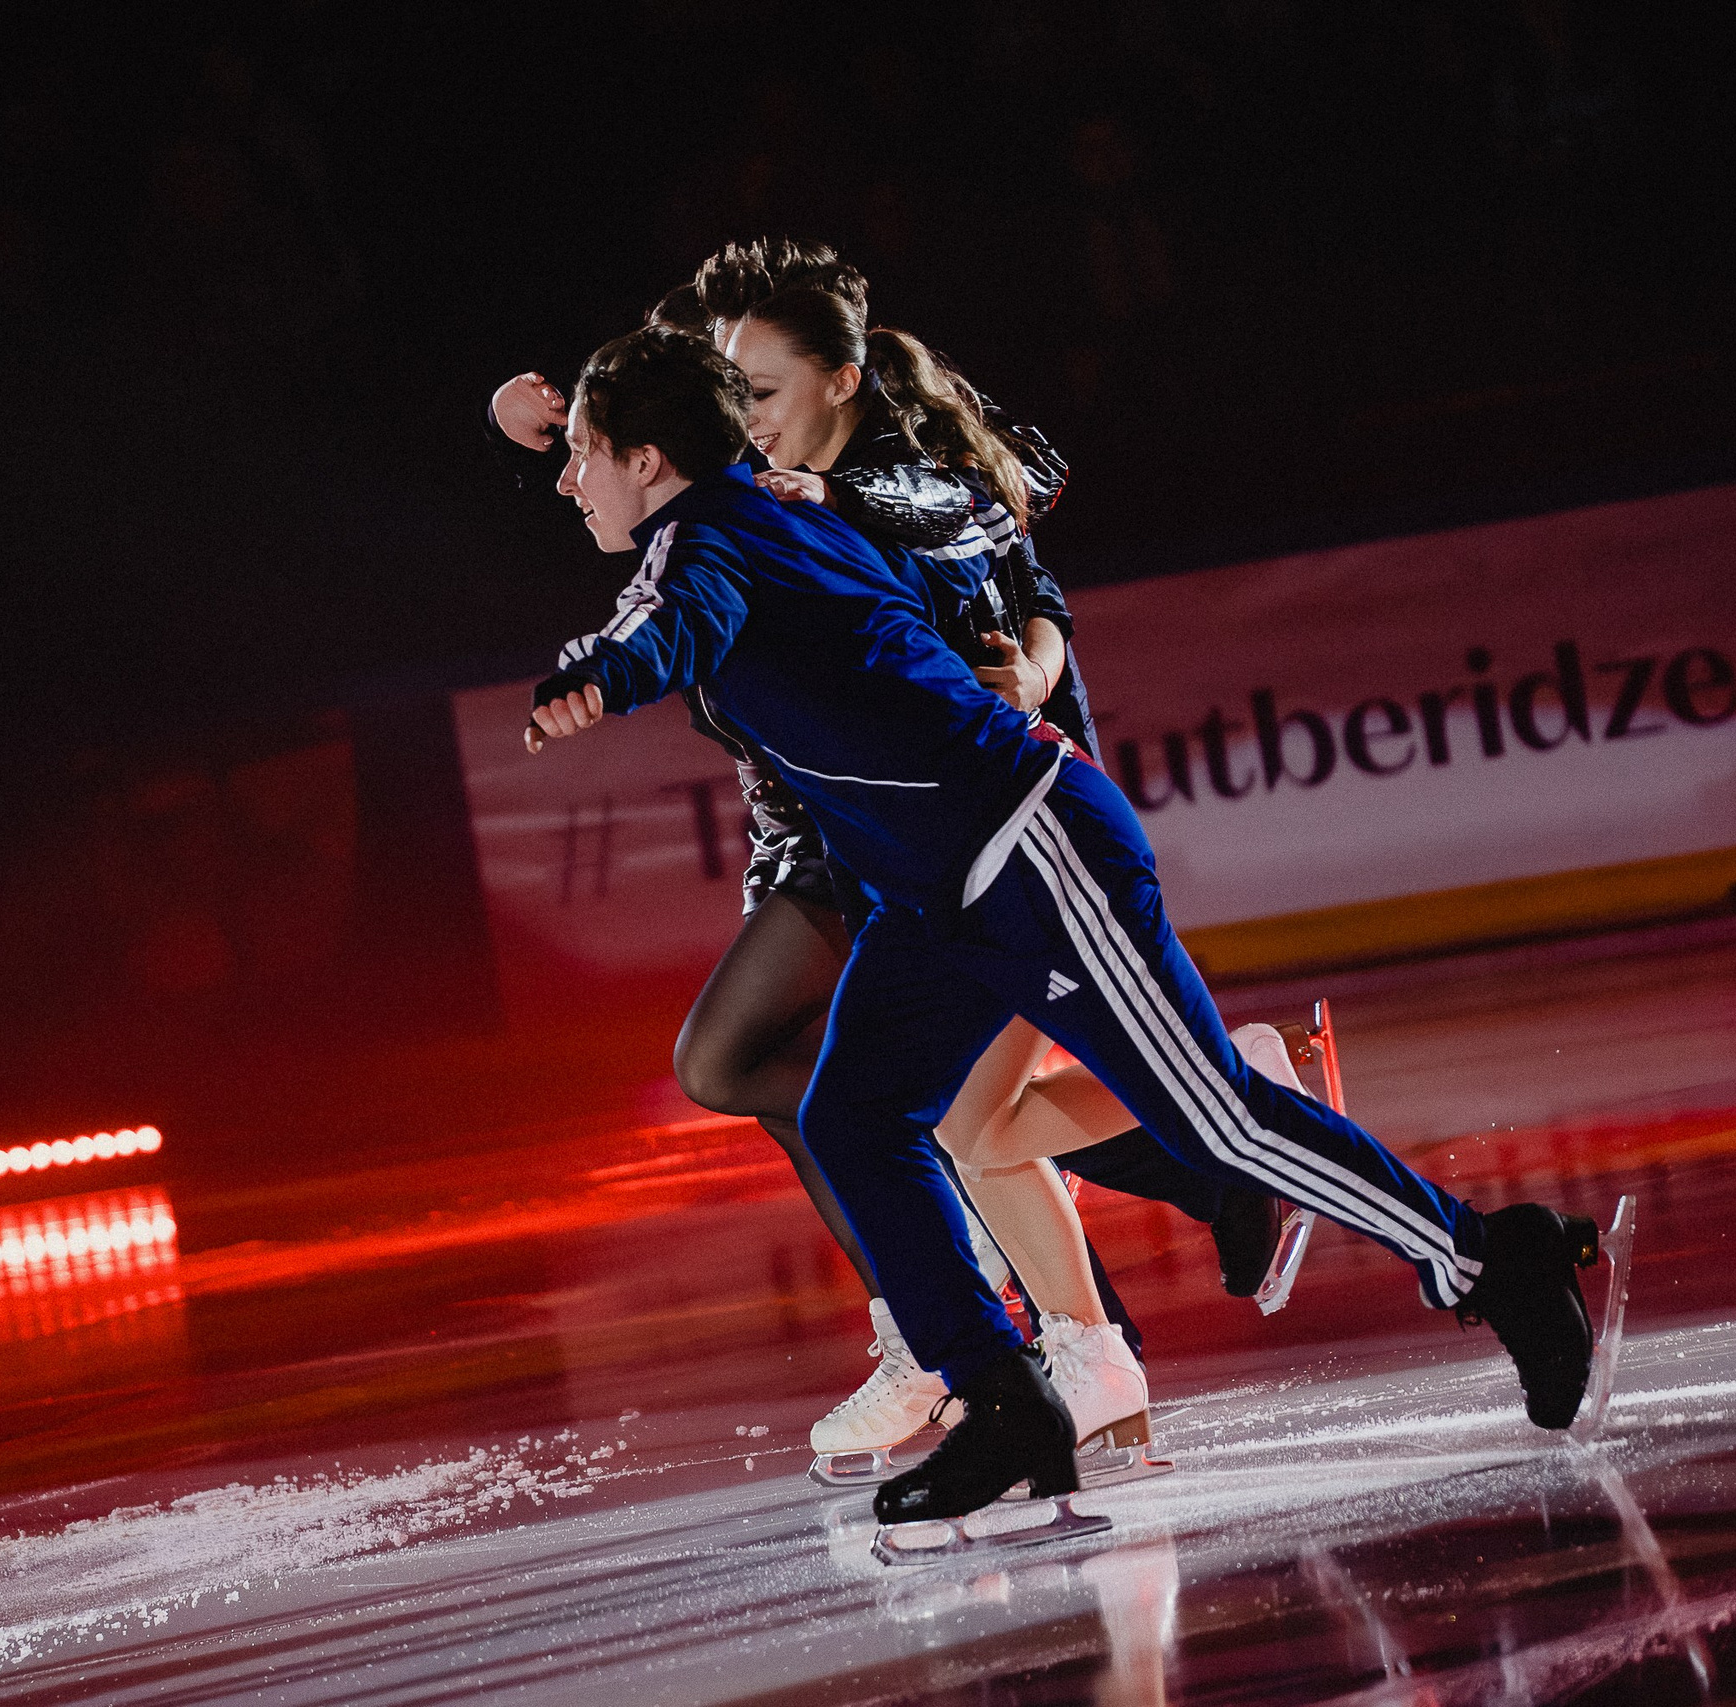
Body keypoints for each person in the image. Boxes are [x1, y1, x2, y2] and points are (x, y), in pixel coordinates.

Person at [524, 322, 1605, 1526]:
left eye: (581, 456)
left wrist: (592, 676)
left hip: (1028, 850)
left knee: (1213, 1122)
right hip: (932, 889)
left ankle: (1487, 1260)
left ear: (651, 458)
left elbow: (662, 625)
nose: (565, 483)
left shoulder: (713, 541)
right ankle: (1002, 1401)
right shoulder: (750, 510)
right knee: (854, 1115)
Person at [493, 242, 1278, 1472]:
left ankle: (1097, 1250)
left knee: (861, 1097)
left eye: (756, 389)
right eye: (726, 390)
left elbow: (1002, 533)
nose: (740, 414)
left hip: (936, 831)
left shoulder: (879, 486)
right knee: (885, 1104)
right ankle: (1087, 1264)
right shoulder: (748, 483)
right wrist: (538, 419)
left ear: (838, 379)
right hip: (841, 829)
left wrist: (1028, 655)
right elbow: (650, 474)